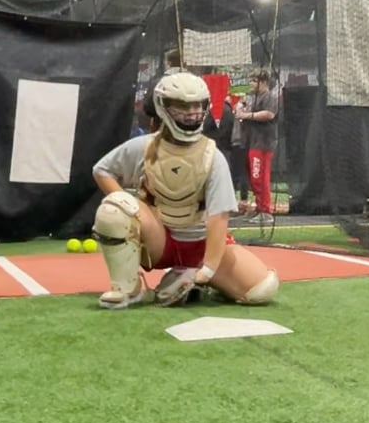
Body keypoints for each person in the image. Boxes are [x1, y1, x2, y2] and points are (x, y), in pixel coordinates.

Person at [92, 71, 279, 309]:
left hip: (202, 243)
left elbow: (219, 218)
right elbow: (102, 170)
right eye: (182, 106)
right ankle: (128, 287)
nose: (192, 112)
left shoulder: (213, 157)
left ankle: (189, 275)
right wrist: (126, 207)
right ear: (163, 106)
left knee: (261, 289)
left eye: (197, 105)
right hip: (159, 240)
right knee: (113, 210)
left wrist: (207, 270)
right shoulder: (144, 146)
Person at [234, 69, 279, 224]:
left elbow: (269, 114)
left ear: (263, 82)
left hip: (263, 143)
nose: (251, 83)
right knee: (254, 177)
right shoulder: (252, 96)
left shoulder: (269, 97)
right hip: (251, 141)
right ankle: (259, 208)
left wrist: (247, 115)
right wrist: (240, 108)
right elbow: (242, 107)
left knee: (260, 177)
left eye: (254, 80)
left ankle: (265, 211)